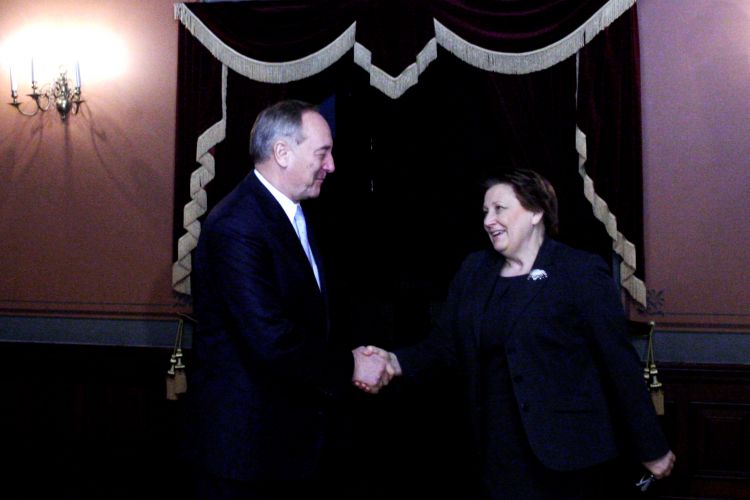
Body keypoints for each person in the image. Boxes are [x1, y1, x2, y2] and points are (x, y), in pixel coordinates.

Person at [359, 168, 675, 499]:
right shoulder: (474, 271)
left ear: (536, 212)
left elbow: (618, 363)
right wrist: (394, 361)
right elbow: (444, 347)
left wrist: (651, 446)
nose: (488, 221)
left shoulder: (579, 272)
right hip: (496, 454)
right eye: (485, 211)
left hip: (570, 456)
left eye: (500, 209)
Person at [182, 99, 394, 499]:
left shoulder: (289, 214)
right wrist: (352, 365)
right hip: (245, 455)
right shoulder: (237, 225)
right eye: (323, 152)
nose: (331, 165)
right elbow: (271, 339)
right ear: (282, 152)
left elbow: (310, 318)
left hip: (285, 447)